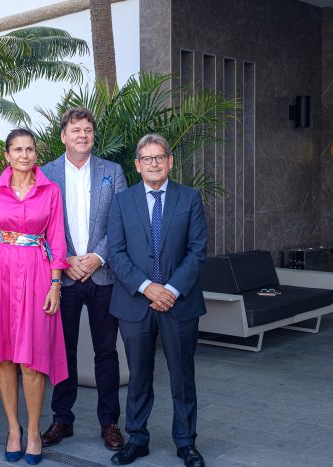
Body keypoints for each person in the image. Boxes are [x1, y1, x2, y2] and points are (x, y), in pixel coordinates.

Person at [0, 128, 69, 465]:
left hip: (37, 273)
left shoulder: (51, 191)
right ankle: (13, 429)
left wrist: (56, 284)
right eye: (17, 149)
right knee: (4, 355)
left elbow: (57, 240)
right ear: (6, 155)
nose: (24, 155)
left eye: (30, 149)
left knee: (32, 358)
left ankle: (34, 431)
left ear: (37, 154)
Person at [106, 134, 208, 467]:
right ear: (137, 165)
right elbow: (116, 252)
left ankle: (186, 443)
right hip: (135, 302)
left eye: (159, 157)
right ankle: (137, 439)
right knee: (138, 377)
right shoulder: (122, 202)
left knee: (183, 376)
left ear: (170, 161)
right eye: (147, 159)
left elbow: (197, 251)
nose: (154, 163)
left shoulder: (189, 199)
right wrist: (148, 287)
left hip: (180, 303)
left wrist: (171, 290)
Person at [40, 107, 128, 451]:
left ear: (93, 136)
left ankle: (109, 422)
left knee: (106, 352)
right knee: (63, 351)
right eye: (75, 130)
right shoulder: (45, 174)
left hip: (103, 274)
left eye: (88, 130)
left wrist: (97, 257)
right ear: (63, 136)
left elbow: (120, 221)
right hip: (63, 277)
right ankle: (62, 419)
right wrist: (66, 261)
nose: (82, 135)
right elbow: (41, 225)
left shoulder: (113, 172)